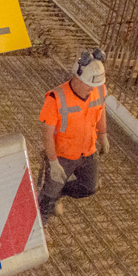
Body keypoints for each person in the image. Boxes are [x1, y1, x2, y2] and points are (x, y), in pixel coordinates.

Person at [38, 48, 110, 220]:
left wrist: (103, 136)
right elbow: (47, 134)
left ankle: (57, 195)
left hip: (87, 151)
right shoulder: (56, 98)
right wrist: (53, 163)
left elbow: (101, 111)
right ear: (77, 77)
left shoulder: (98, 89)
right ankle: (43, 223)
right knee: (49, 193)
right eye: (89, 85)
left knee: (89, 187)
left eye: (95, 86)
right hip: (63, 155)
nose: (92, 89)